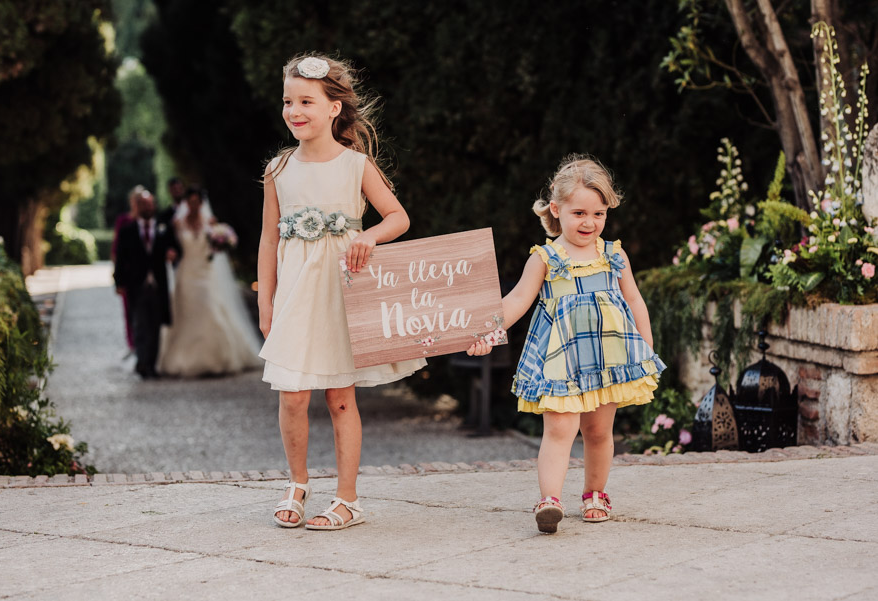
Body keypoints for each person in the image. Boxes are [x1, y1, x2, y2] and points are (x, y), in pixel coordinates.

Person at [258, 54, 425, 531]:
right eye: (288, 101)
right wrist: (265, 301)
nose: (294, 111)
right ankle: (297, 482)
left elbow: (398, 217)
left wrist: (368, 236)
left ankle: (347, 499)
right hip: (295, 296)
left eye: (306, 101)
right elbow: (268, 240)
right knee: (292, 395)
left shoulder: (356, 165)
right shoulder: (278, 169)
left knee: (340, 397)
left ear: (334, 108)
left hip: (341, 295)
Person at [468, 155, 666, 533]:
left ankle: (595, 494)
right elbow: (516, 300)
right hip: (561, 359)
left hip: (608, 357)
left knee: (598, 432)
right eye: (579, 213)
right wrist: (486, 333)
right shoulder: (545, 258)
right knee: (560, 429)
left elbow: (634, 300)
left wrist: (645, 348)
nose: (589, 222)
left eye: (598, 214)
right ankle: (550, 501)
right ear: (556, 210)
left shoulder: (613, 255)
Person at [157, 186, 262, 377]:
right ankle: (185, 358)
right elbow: (169, 245)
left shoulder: (210, 222)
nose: (194, 206)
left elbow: (218, 247)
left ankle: (216, 357)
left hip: (205, 272)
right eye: (190, 202)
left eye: (197, 202)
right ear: (186, 203)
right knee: (185, 313)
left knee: (209, 307)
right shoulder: (177, 223)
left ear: (201, 203)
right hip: (186, 272)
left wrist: (221, 243)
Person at [114, 191, 181, 379]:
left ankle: (151, 364)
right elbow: (120, 259)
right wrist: (119, 282)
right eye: (144, 204)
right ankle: (142, 363)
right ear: (138, 206)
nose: (148, 207)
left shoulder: (163, 228)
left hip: (159, 285)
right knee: (140, 325)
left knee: (156, 326)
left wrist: (173, 254)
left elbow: (177, 248)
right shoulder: (127, 231)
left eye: (150, 203)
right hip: (136, 285)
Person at [111, 185, 145, 354]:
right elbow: (116, 248)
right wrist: (118, 275)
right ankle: (132, 344)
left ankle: (144, 343)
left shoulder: (149, 220)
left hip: (145, 272)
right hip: (128, 272)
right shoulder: (123, 221)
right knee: (128, 309)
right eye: (135, 200)